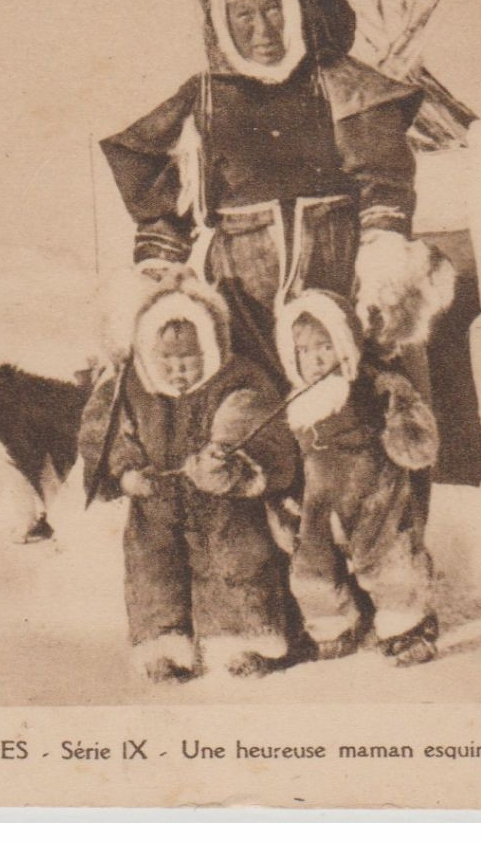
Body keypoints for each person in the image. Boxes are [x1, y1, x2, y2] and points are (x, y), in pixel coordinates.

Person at [99, 0, 448, 370]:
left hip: (337, 275)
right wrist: (155, 276)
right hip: (241, 290)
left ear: (299, 9)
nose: (262, 29)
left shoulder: (340, 84)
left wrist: (382, 267)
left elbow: (384, 185)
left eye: (273, 9)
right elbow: (164, 207)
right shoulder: (206, 99)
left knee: (357, 399)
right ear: (223, 26)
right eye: (244, 16)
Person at [78, 271, 301, 682]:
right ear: (148, 351)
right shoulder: (131, 386)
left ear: (210, 347)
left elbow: (251, 413)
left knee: (238, 559)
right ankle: (164, 646)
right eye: (169, 361)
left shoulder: (236, 377)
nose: (179, 371)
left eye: (189, 359)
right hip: (155, 500)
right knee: (153, 571)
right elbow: (104, 431)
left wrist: (226, 459)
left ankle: (245, 640)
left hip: (222, 501)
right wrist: (126, 472)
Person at [275, 289, 441, 666]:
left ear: (345, 344)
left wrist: (405, 430)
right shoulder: (295, 401)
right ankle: (335, 627)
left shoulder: (369, 384)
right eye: (304, 350)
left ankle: (407, 627)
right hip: (320, 499)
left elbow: (407, 411)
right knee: (310, 567)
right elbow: (288, 454)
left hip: (375, 491)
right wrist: (288, 494)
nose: (315, 359)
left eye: (325, 347)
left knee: (386, 559)